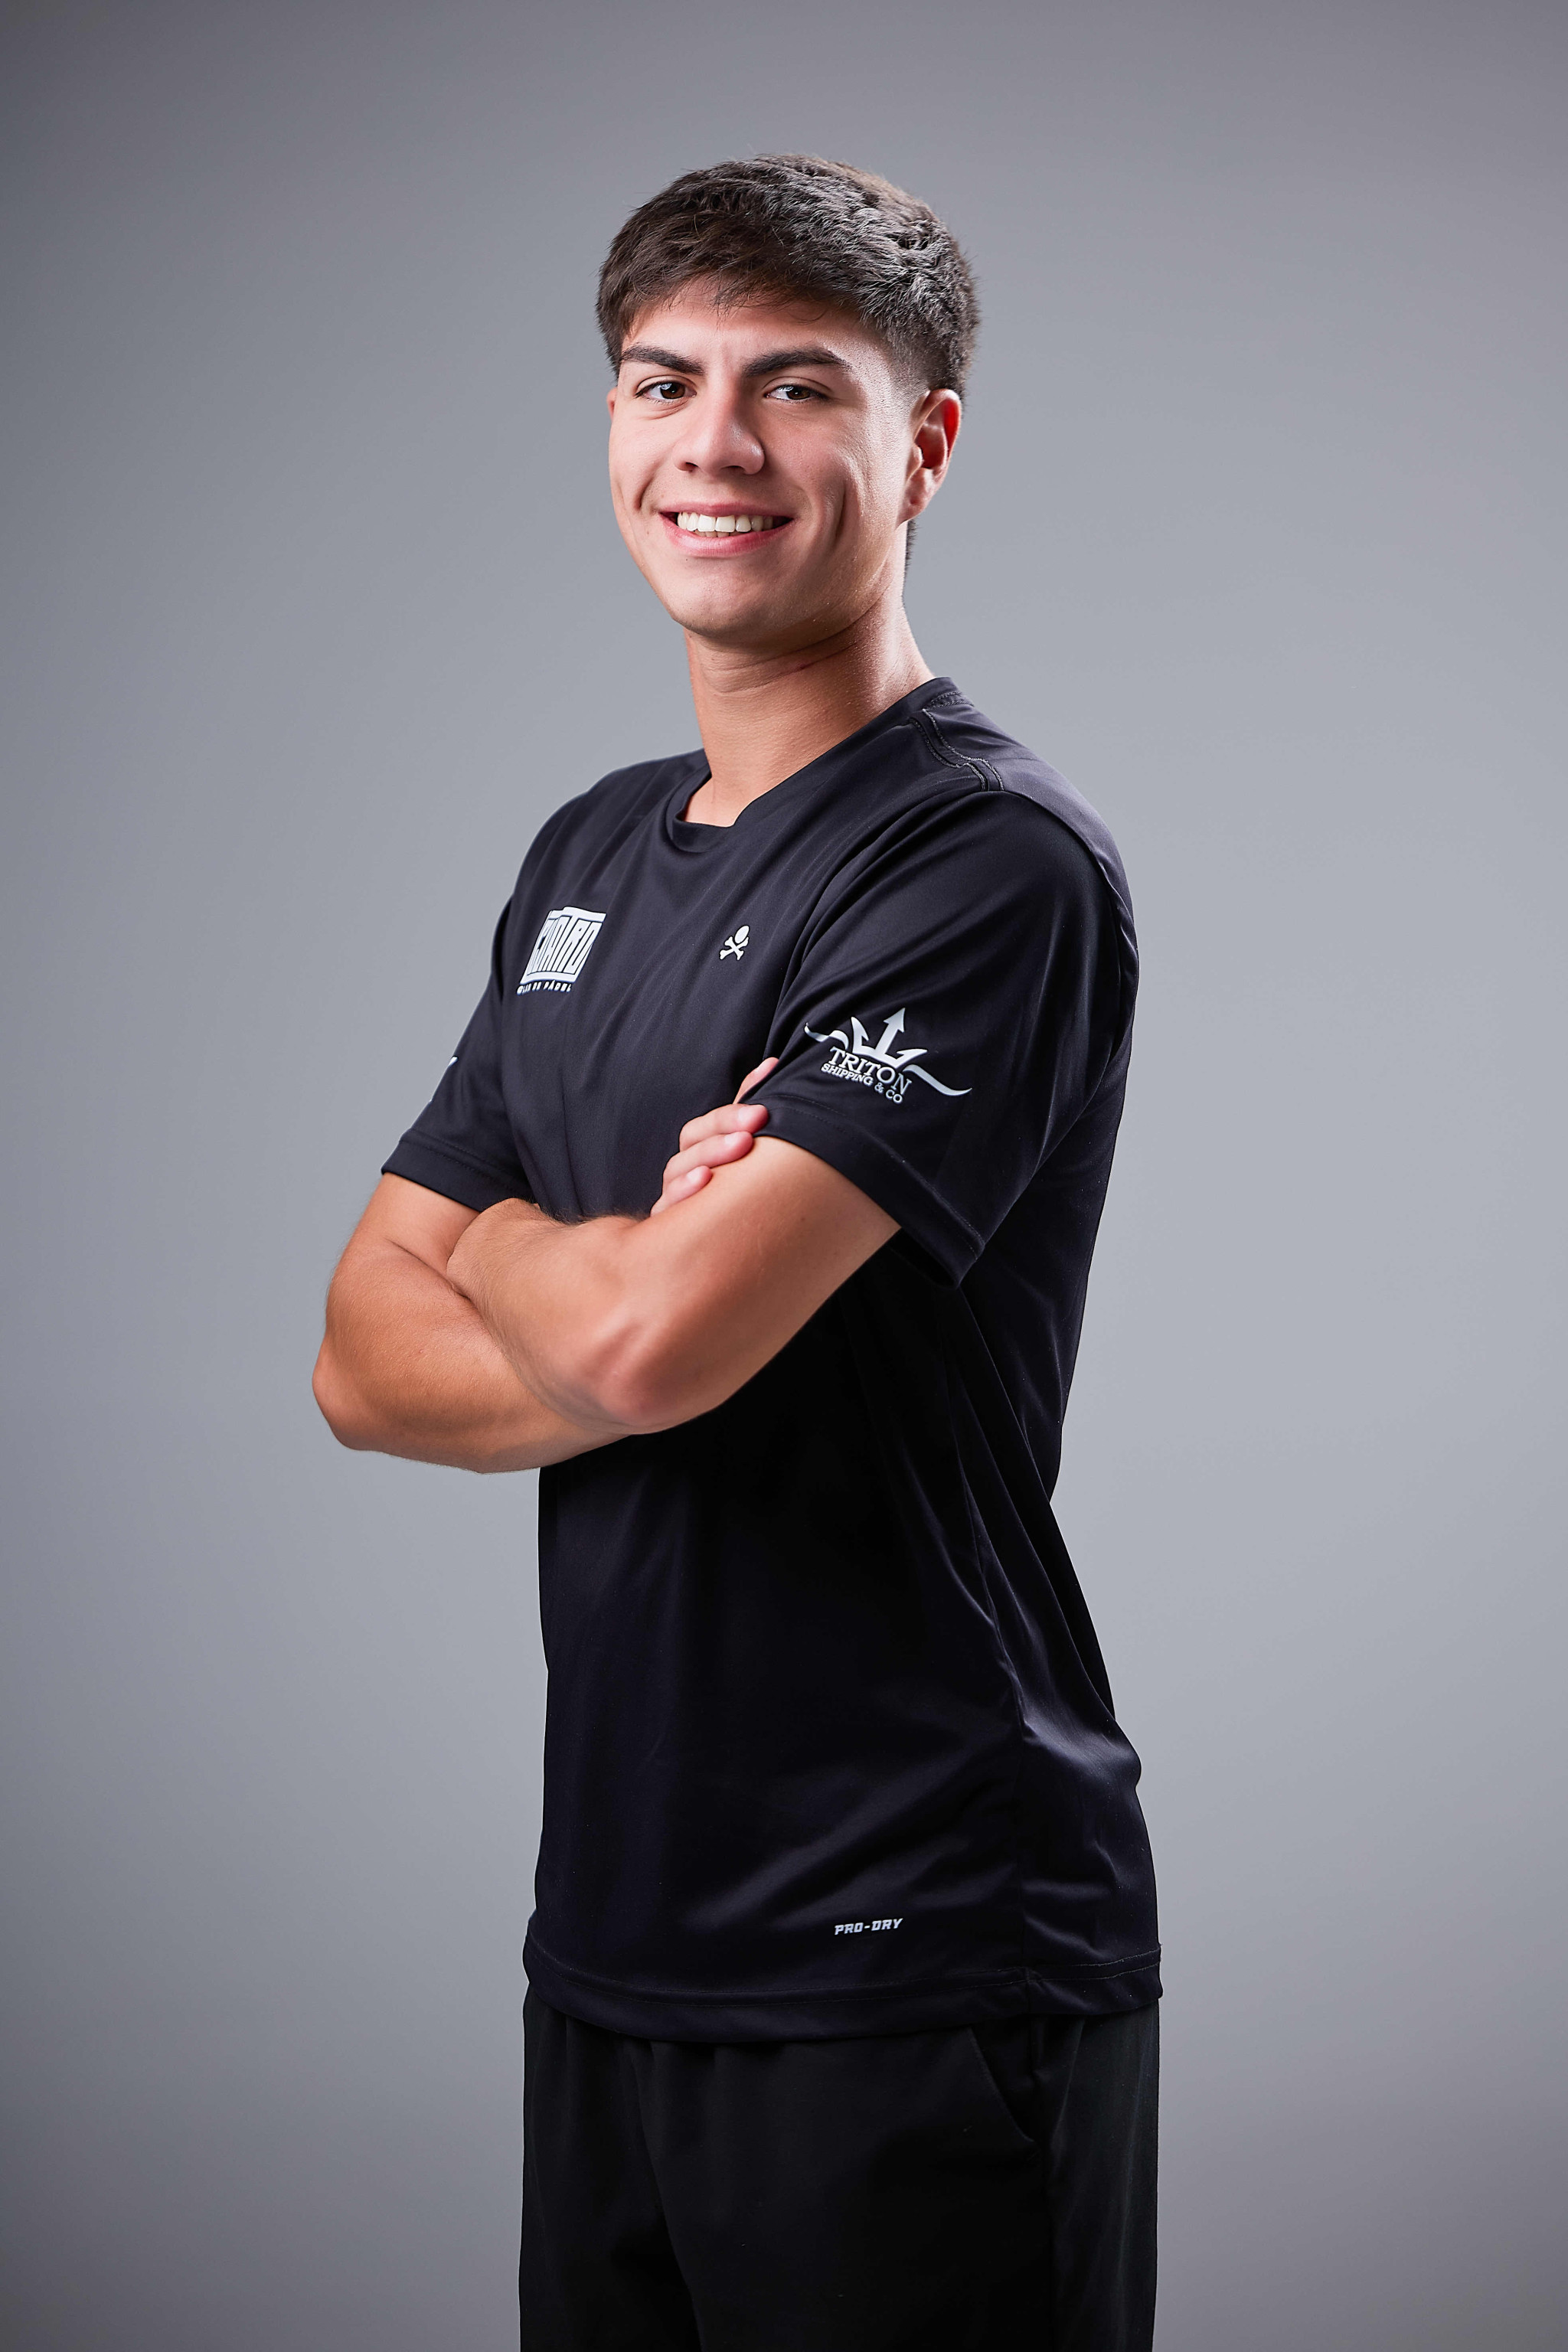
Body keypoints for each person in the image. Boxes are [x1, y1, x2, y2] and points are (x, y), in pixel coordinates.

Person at [313, 153, 1160, 2352]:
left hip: (918, 1940)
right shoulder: (588, 853)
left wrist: (516, 1246)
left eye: (797, 386)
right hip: (618, 1932)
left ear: (923, 443)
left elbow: (656, 1348)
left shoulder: (982, 864)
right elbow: (355, 1358)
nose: (715, 445)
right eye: (662, 382)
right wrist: (590, 1265)